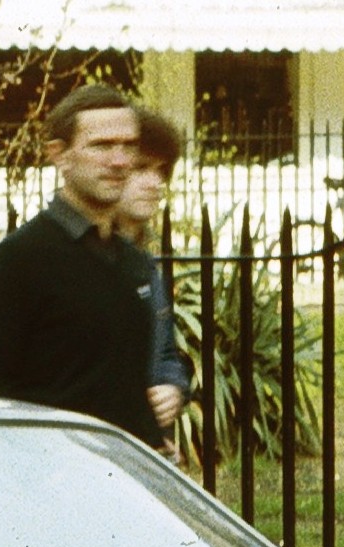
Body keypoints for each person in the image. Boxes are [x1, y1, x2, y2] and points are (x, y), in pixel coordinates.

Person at [0, 84, 159, 443]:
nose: (118, 161)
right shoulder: (20, 260)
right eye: (101, 146)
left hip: (124, 481)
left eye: (128, 146)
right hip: (51, 481)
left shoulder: (132, 261)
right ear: (59, 155)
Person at [118, 107, 192, 446]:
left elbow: (164, 354)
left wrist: (174, 389)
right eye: (142, 168)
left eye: (162, 171)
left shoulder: (146, 263)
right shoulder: (83, 261)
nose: (156, 182)